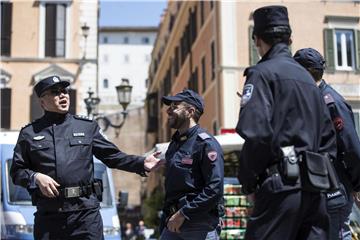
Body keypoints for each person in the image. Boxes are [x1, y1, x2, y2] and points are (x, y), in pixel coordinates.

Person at [10, 75, 162, 240]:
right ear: (42, 102)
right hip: (50, 215)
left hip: (85, 215)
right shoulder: (30, 133)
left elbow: (113, 156)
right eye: (55, 92)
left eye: (64, 91)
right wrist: (36, 177)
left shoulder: (86, 127)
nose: (63, 95)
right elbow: (17, 172)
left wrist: (141, 163)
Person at [235, 6, 337, 239]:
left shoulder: (261, 73)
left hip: (280, 187)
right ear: (290, 39)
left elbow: (256, 133)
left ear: (257, 39)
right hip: (315, 190)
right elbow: (328, 139)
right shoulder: (310, 81)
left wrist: (249, 182)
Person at [294, 47, 360, 240]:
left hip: (334, 188)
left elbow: (351, 146)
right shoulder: (310, 100)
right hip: (317, 189)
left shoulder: (331, 102)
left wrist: (358, 185)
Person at [159, 89, 224, 240]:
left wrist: (184, 213)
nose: (168, 110)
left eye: (175, 106)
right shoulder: (174, 145)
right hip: (172, 222)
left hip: (199, 224)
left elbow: (214, 188)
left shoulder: (206, 144)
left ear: (190, 111)